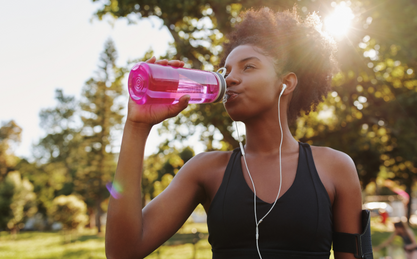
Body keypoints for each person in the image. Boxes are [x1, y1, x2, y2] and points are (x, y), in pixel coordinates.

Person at [106, 7, 367, 259]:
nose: (229, 78)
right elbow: (122, 252)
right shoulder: (205, 170)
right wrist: (137, 127)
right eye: (226, 71)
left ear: (285, 83)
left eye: (248, 67)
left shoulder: (334, 168)